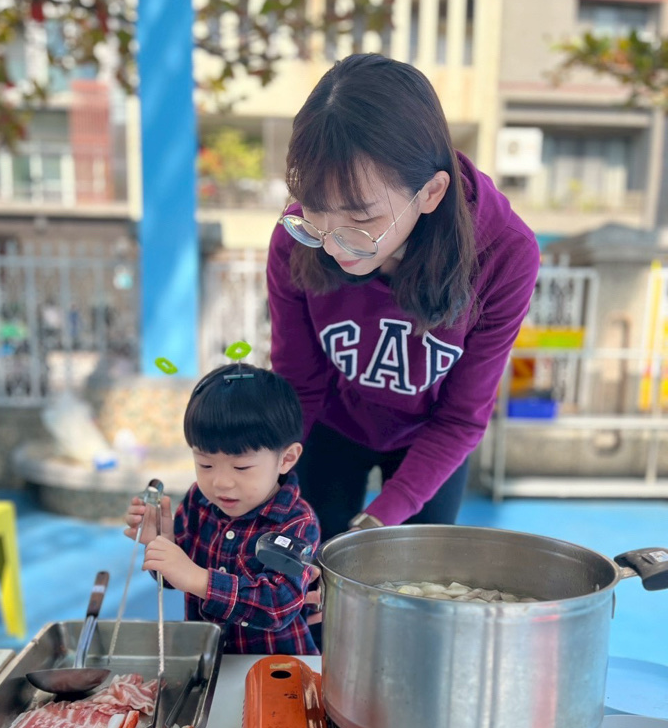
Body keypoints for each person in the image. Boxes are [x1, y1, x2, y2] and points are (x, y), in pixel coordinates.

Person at [267, 53, 541, 542]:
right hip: (331, 420)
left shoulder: (505, 254)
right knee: (308, 560)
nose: (332, 243)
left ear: (431, 193)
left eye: (360, 219)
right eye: (316, 211)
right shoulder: (296, 236)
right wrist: (261, 478)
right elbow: (299, 383)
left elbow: (461, 416)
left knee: (414, 574)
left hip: (432, 437)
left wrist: (380, 518)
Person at [124, 363, 321, 655]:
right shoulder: (199, 501)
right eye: (205, 464)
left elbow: (279, 605)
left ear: (286, 458)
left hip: (276, 667)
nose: (221, 482)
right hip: (207, 656)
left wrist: (199, 579)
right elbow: (175, 578)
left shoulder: (296, 521)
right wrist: (162, 548)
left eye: (241, 467)